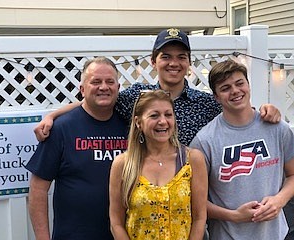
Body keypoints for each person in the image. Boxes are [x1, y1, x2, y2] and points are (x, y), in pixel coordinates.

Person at [33, 28, 281, 146]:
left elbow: (237, 111)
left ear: (189, 63)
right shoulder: (136, 98)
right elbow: (97, 100)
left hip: (192, 197)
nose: (174, 63)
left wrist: (265, 110)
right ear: (154, 62)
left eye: (181, 57)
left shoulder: (205, 103)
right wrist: (53, 115)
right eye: (166, 57)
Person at [25, 57, 129, 240]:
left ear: (118, 88)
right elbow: (38, 189)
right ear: (82, 90)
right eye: (95, 82)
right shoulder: (60, 129)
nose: (103, 87)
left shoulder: (132, 127)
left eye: (109, 82)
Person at [189, 59, 294, 240]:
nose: (235, 91)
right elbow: (193, 201)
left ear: (248, 85)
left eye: (240, 83)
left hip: (276, 235)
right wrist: (234, 216)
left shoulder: (278, 128)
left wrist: (279, 200)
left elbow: (292, 175)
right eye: (225, 88)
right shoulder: (204, 141)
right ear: (216, 97)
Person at [109, 90, 208, 239]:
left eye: (168, 115)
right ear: (138, 122)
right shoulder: (123, 164)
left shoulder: (192, 159)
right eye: (154, 115)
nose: (163, 121)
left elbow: (200, 217)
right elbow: (116, 222)